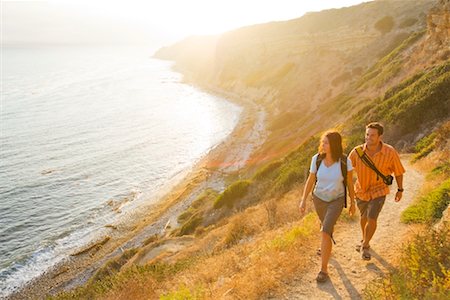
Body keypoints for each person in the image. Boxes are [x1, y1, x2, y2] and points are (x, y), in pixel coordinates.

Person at [299, 131, 355, 283]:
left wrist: (352, 202)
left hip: (336, 200)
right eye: (322, 142)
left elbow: (350, 183)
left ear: (334, 145)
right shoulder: (316, 159)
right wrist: (303, 200)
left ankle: (323, 270)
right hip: (319, 199)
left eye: (326, 143)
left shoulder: (344, 161)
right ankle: (327, 243)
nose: (322, 145)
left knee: (325, 231)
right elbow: (310, 181)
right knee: (326, 228)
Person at [349, 122, 405, 260]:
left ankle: (366, 246)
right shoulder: (357, 152)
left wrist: (400, 189)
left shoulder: (389, 152)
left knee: (372, 218)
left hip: (379, 190)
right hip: (361, 190)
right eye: (367, 134)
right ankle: (364, 239)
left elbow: (398, 171)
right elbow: (346, 171)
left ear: (380, 136)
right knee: (363, 218)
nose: (369, 137)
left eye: (372, 135)